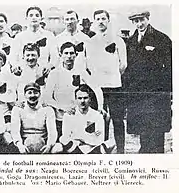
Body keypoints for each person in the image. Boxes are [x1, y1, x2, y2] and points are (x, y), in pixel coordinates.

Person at [123, 10, 172, 153]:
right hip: (139, 93)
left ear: (148, 19)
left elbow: (169, 67)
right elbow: (129, 68)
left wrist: (167, 92)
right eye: (136, 21)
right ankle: (145, 151)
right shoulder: (131, 41)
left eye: (141, 20)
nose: (139, 24)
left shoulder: (161, 39)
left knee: (157, 127)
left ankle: (157, 154)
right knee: (143, 125)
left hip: (156, 92)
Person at [86, 10, 127, 153]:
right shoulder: (90, 42)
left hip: (115, 86)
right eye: (98, 19)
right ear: (94, 22)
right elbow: (89, 65)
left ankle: (121, 150)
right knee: (100, 118)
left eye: (104, 18)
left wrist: (113, 75)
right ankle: (100, 149)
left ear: (108, 21)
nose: (101, 21)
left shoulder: (118, 40)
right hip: (98, 87)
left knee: (117, 119)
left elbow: (123, 64)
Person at [44, 42, 103, 140]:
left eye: (72, 53)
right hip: (60, 118)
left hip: (78, 117)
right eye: (66, 53)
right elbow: (47, 98)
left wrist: (100, 107)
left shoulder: (80, 71)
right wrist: (63, 108)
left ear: (76, 55)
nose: (69, 56)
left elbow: (96, 88)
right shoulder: (54, 73)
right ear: (60, 55)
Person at [60, 84, 114, 154]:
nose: (82, 101)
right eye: (79, 98)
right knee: (62, 139)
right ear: (75, 100)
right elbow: (66, 137)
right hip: (75, 148)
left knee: (112, 143)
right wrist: (89, 137)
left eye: (85, 98)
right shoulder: (68, 115)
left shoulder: (97, 115)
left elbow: (99, 140)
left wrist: (80, 138)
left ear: (90, 99)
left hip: (92, 148)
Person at [11, 83, 63, 154]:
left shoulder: (47, 109)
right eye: (29, 93)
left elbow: (52, 132)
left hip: (43, 144)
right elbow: (15, 131)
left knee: (58, 148)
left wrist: (49, 145)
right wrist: (20, 145)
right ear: (24, 95)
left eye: (35, 93)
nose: (32, 95)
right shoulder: (18, 109)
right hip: (24, 144)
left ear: (40, 94)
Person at [10, 6, 58, 74]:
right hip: (24, 73)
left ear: (41, 18)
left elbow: (55, 56)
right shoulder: (19, 37)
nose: (34, 17)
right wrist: (15, 65)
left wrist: (50, 66)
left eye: (37, 15)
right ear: (26, 18)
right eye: (31, 15)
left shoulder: (49, 35)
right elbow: (13, 56)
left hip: (43, 73)